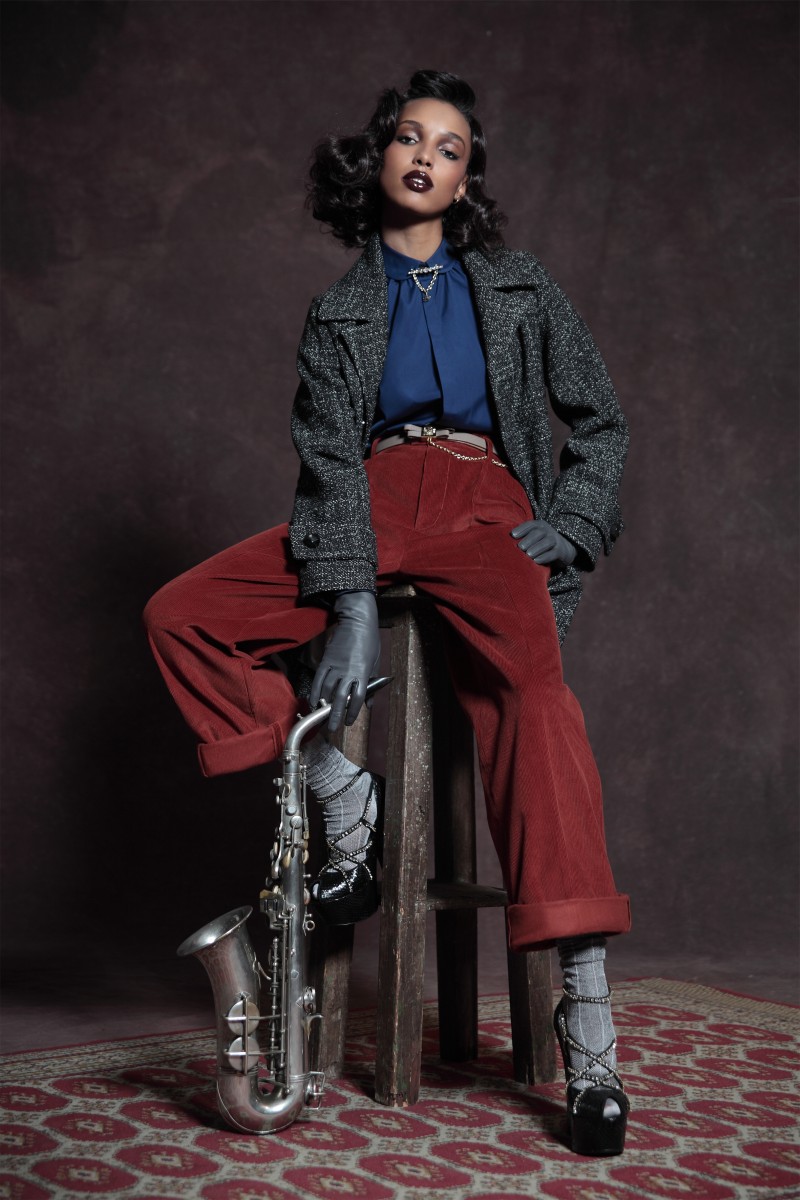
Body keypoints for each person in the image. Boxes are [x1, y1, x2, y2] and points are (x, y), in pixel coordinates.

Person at [144, 69, 631, 1156]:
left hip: (486, 501)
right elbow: (326, 465)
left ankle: (590, 1030)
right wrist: (351, 601)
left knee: (536, 703)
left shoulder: (519, 285)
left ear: (465, 182)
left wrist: (573, 520)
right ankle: (339, 791)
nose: (427, 158)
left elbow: (600, 418)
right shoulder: (339, 311)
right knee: (183, 613)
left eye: (450, 149)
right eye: (411, 138)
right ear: (380, 161)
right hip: (365, 501)